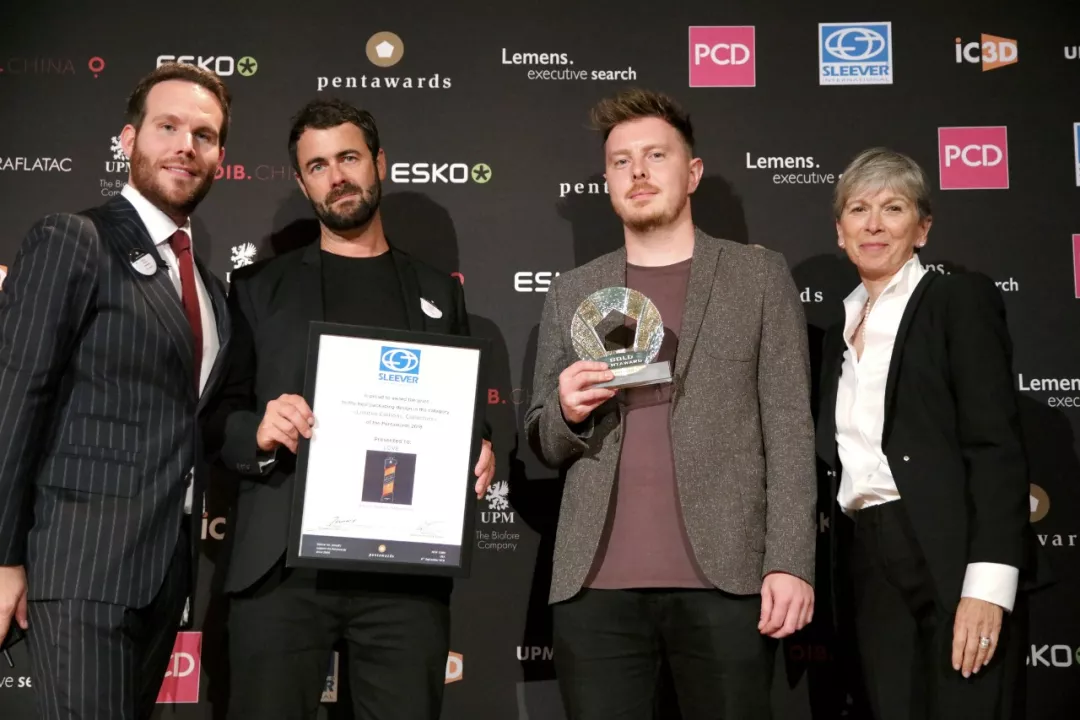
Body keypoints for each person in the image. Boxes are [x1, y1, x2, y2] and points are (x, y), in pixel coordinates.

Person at [524, 88, 817, 719]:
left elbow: (791, 430)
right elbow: (542, 438)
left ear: (693, 172)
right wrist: (566, 413)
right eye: (621, 161)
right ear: (607, 180)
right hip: (594, 589)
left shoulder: (758, 277)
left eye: (656, 155)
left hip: (727, 580)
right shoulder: (574, 290)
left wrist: (791, 562)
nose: (638, 171)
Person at [206, 97, 495, 720]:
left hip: (405, 573)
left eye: (348, 158)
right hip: (281, 571)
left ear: (379, 163)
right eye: (318, 166)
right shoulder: (258, 289)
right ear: (301, 181)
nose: (336, 176)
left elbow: (462, 411)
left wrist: (480, 447)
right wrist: (259, 430)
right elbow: (218, 420)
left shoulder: (438, 292)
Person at [0, 63, 232, 719]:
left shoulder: (211, 291)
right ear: (129, 140)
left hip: (163, 575)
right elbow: (15, 400)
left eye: (204, 135)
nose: (186, 146)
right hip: (80, 565)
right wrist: (3, 560)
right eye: (168, 127)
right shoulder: (74, 239)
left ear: (220, 156)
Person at [816, 148, 1034, 720]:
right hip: (868, 557)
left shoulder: (956, 300)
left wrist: (986, 586)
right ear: (840, 231)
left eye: (893, 208)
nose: (874, 224)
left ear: (923, 229)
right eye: (859, 210)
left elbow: (996, 448)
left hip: (950, 549)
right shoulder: (833, 333)